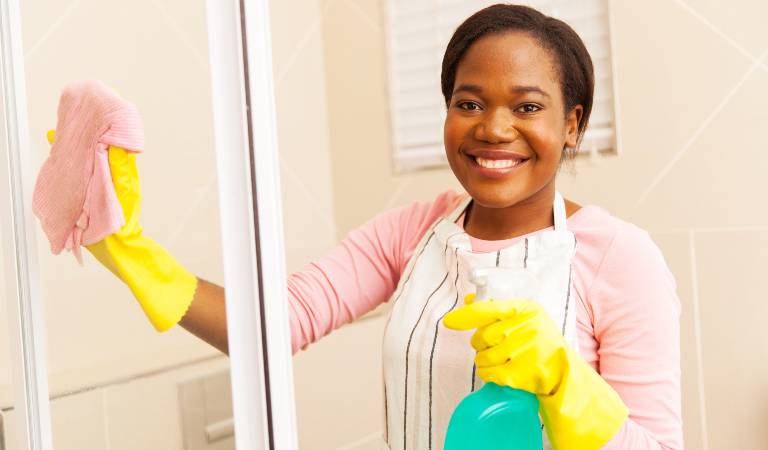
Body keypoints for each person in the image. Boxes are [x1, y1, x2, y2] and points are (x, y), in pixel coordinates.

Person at [78, 4, 682, 450]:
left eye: (527, 107)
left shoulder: (619, 258)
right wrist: (129, 251)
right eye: (469, 103)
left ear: (572, 124)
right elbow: (270, 327)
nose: (494, 129)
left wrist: (570, 388)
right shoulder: (412, 232)